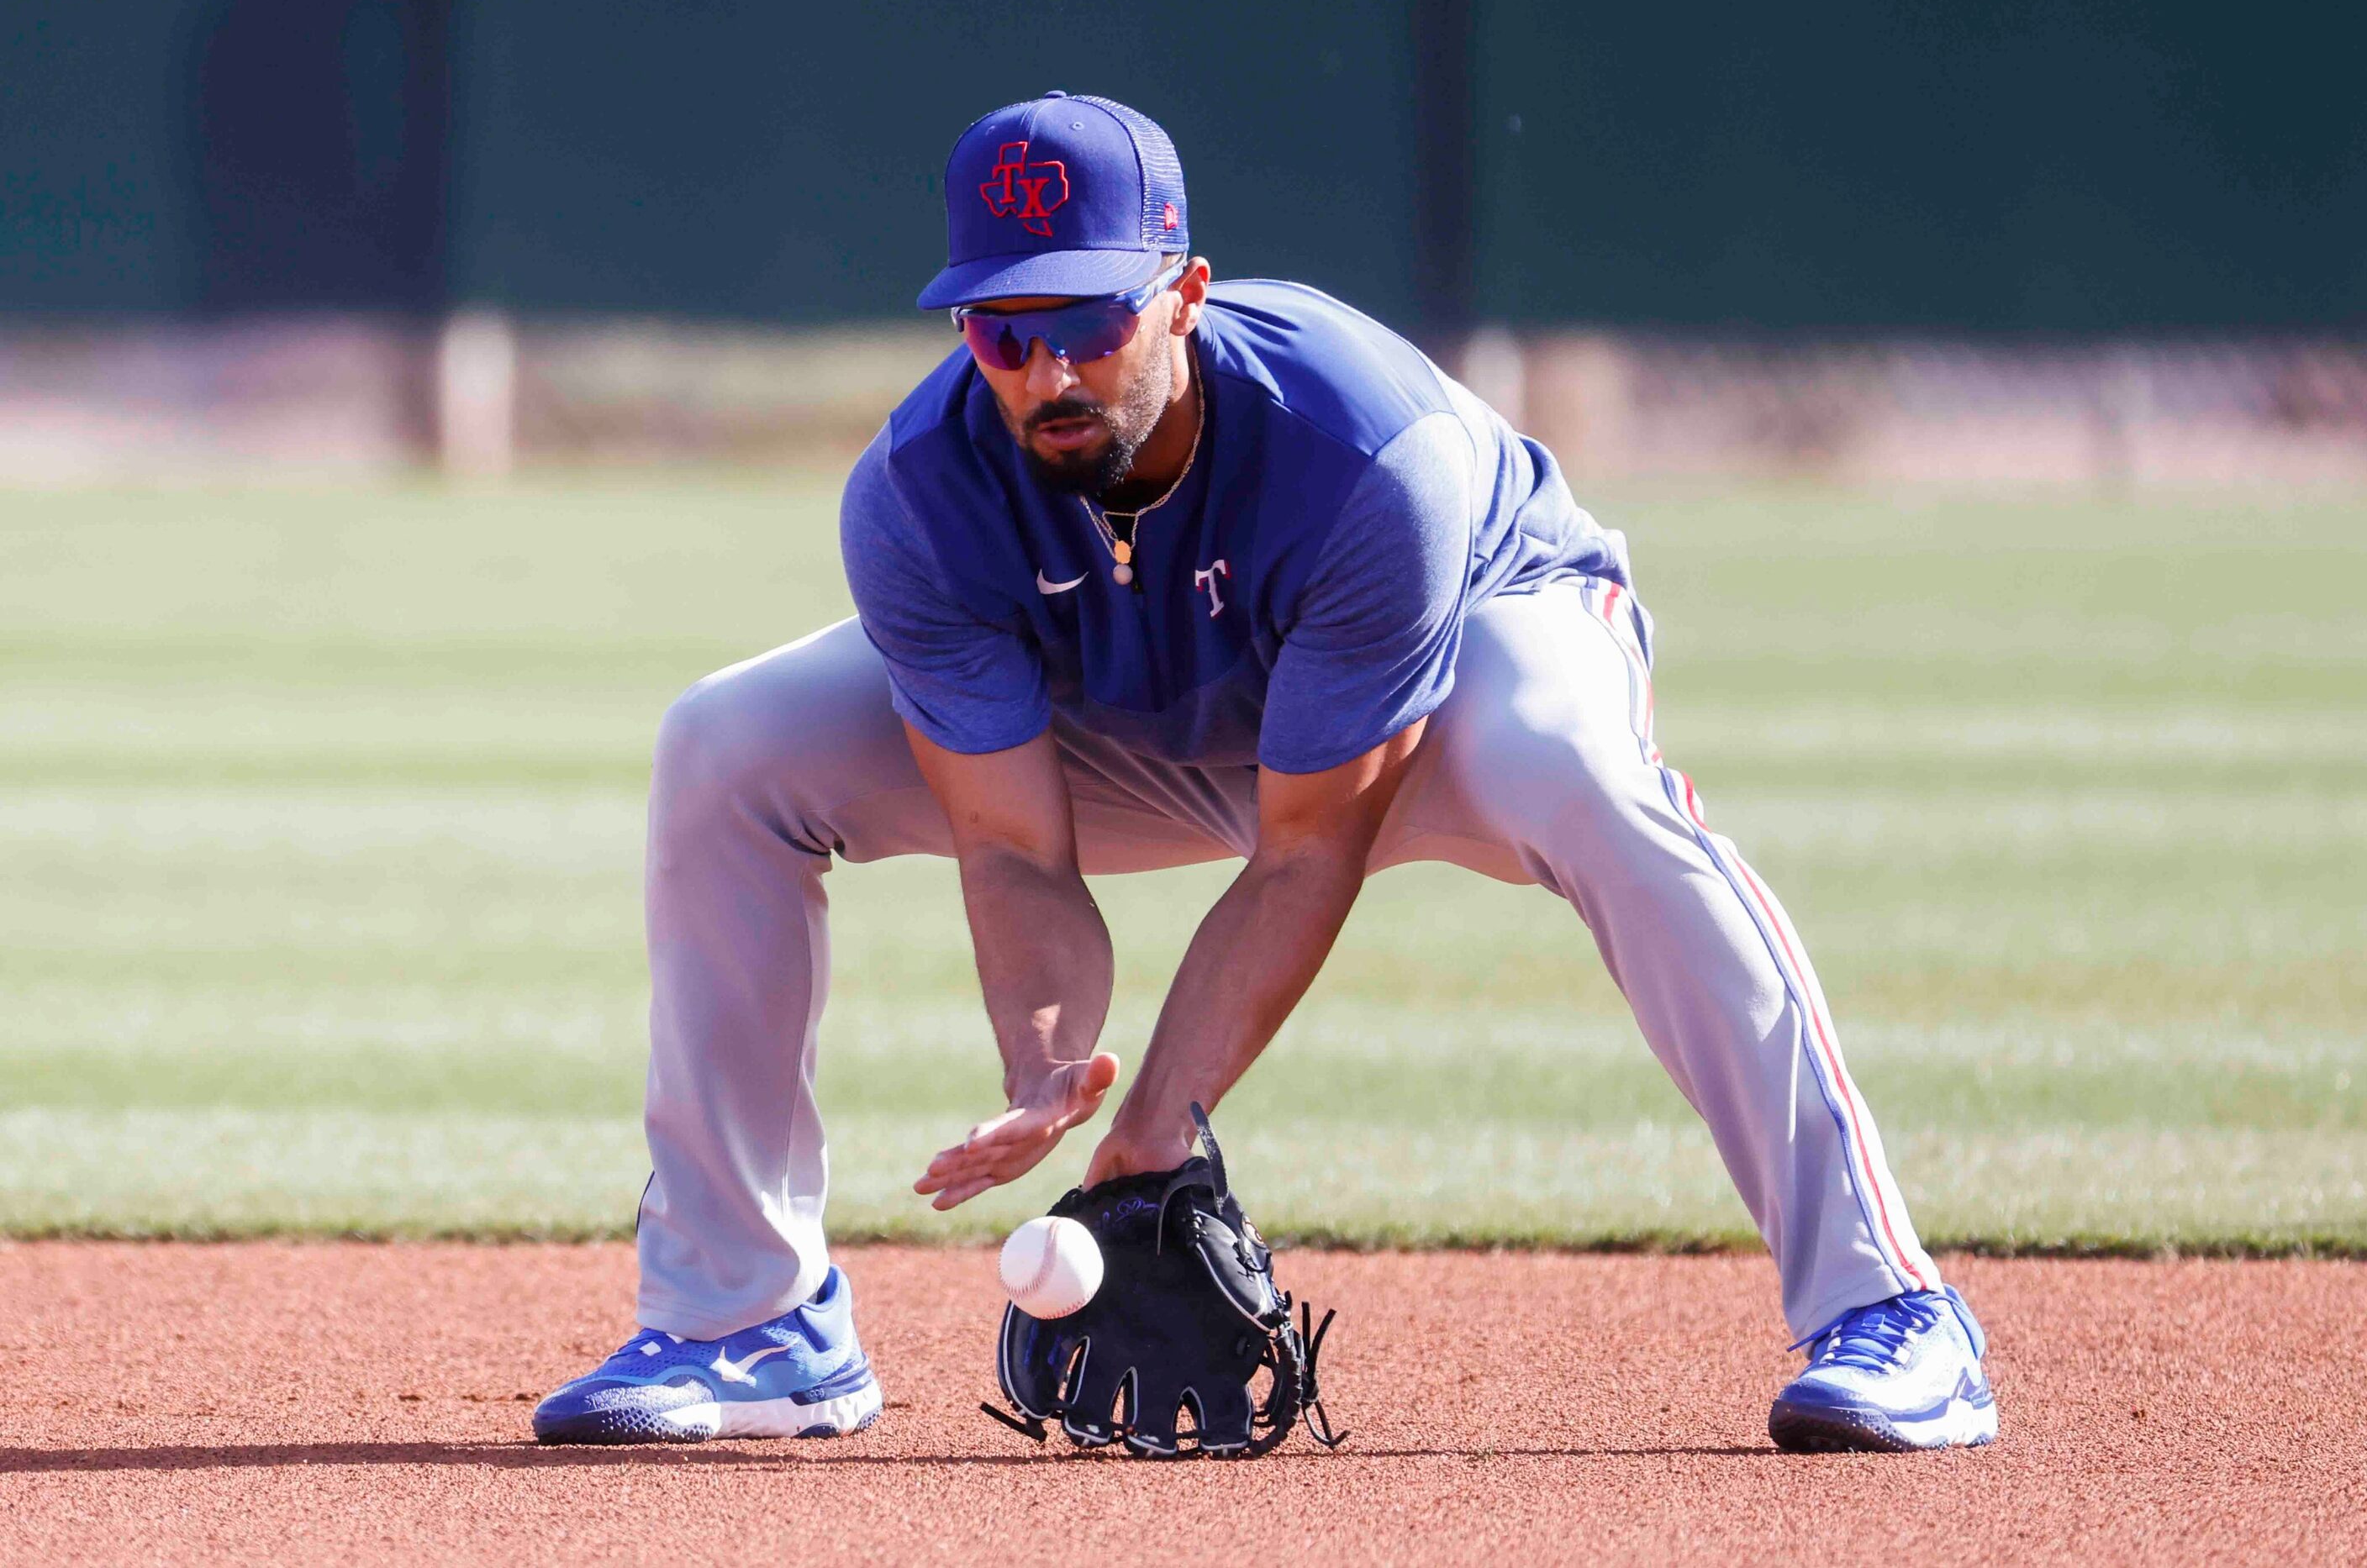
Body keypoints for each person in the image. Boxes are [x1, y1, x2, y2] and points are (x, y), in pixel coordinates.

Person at [533, 92, 1997, 1454]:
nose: (1048, 369)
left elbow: (1308, 847)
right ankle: (748, 1320)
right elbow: (1017, 850)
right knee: (728, 746)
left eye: (1092, 316)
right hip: (1138, 714)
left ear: (1183, 288)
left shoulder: (1366, 452)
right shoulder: (922, 494)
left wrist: (1157, 1118)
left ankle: (1889, 1306)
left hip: (1456, 665)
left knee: (1580, 775)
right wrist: (1053, 1066)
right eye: (1002, 327)